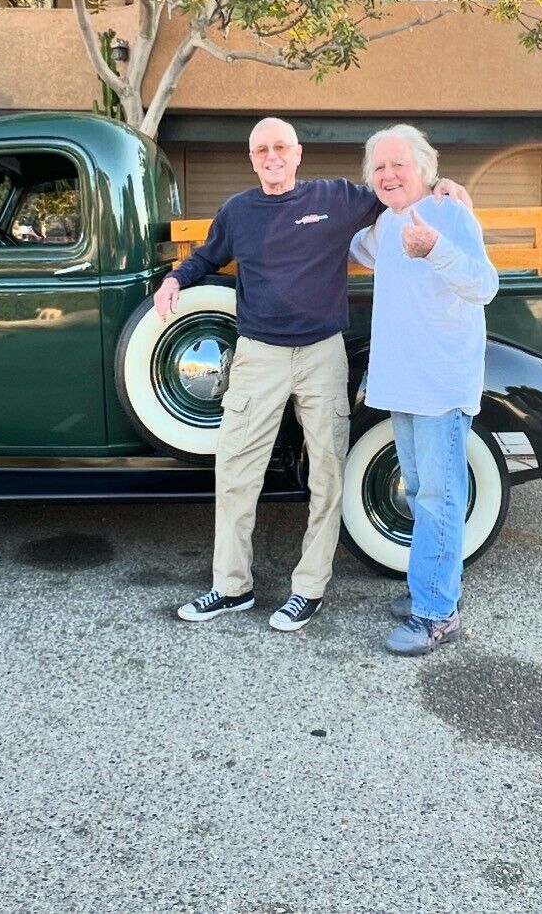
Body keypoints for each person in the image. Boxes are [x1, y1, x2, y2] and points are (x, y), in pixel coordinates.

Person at [157, 117, 471, 632]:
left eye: (281, 147)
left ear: (298, 153)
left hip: (322, 354)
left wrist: (440, 184)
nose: (272, 156)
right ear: (252, 157)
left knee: (327, 476)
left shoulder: (337, 197)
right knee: (236, 473)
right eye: (261, 149)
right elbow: (207, 258)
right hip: (258, 355)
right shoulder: (238, 211)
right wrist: (174, 279)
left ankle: (309, 590)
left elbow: (398, 184)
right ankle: (231, 586)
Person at [349, 124, 498, 656]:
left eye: (398, 164)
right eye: (379, 167)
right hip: (403, 386)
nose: (388, 174)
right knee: (419, 495)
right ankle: (428, 590)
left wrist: (435, 246)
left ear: (425, 168)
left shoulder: (451, 214)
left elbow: (485, 285)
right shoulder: (383, 227)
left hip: (441, 387)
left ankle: (437, 614)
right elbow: (353, 246)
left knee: (439, 498)